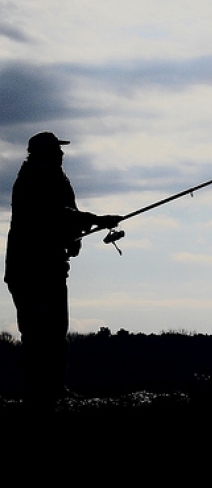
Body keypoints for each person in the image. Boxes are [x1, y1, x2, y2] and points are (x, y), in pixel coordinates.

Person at [4, 131, 122, 410]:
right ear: (42, 152)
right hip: (28, 270)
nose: (62, 154)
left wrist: (77, 239)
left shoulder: (57, 178)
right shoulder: (32, 179)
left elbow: (65, 215)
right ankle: (38, 395)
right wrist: (98, 220)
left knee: (56, 333)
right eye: (57, 149)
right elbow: (55, 214)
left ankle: (55, 390)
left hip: (52, 268)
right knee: (35, 335)